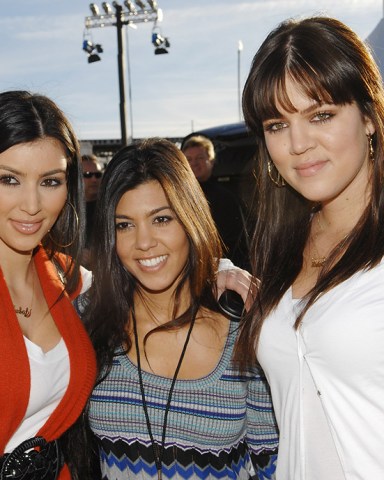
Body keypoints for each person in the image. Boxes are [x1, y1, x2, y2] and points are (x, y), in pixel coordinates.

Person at [234, 15, 384, 480]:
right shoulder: (284, 245)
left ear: (368, 117)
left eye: (321, 115)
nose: (298, 143)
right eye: (277, 125)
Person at [77, 138, 278, 479]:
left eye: (162, 219)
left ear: (190, 218)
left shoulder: (245, 330)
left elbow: (272, 464)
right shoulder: (90, 319)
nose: (143, 242)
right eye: (124, 224)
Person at [0, 90, 96, 478]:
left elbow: (151, 276)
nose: (32, 204)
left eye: (50, 181)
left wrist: (219, 270)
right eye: (9, 179)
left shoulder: (69, 278)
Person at [181, 135, 250, 269]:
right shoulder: (176, 197)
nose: (194, 163)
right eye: (188, 159)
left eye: (200, 158)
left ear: (211, 161)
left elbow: (236, 244)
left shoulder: (226, 198)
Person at [81, 154, 103, 268]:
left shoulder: (111, 208)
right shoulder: (64, 210)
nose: (94, 179)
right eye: (87, 175)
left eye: (98, 175)